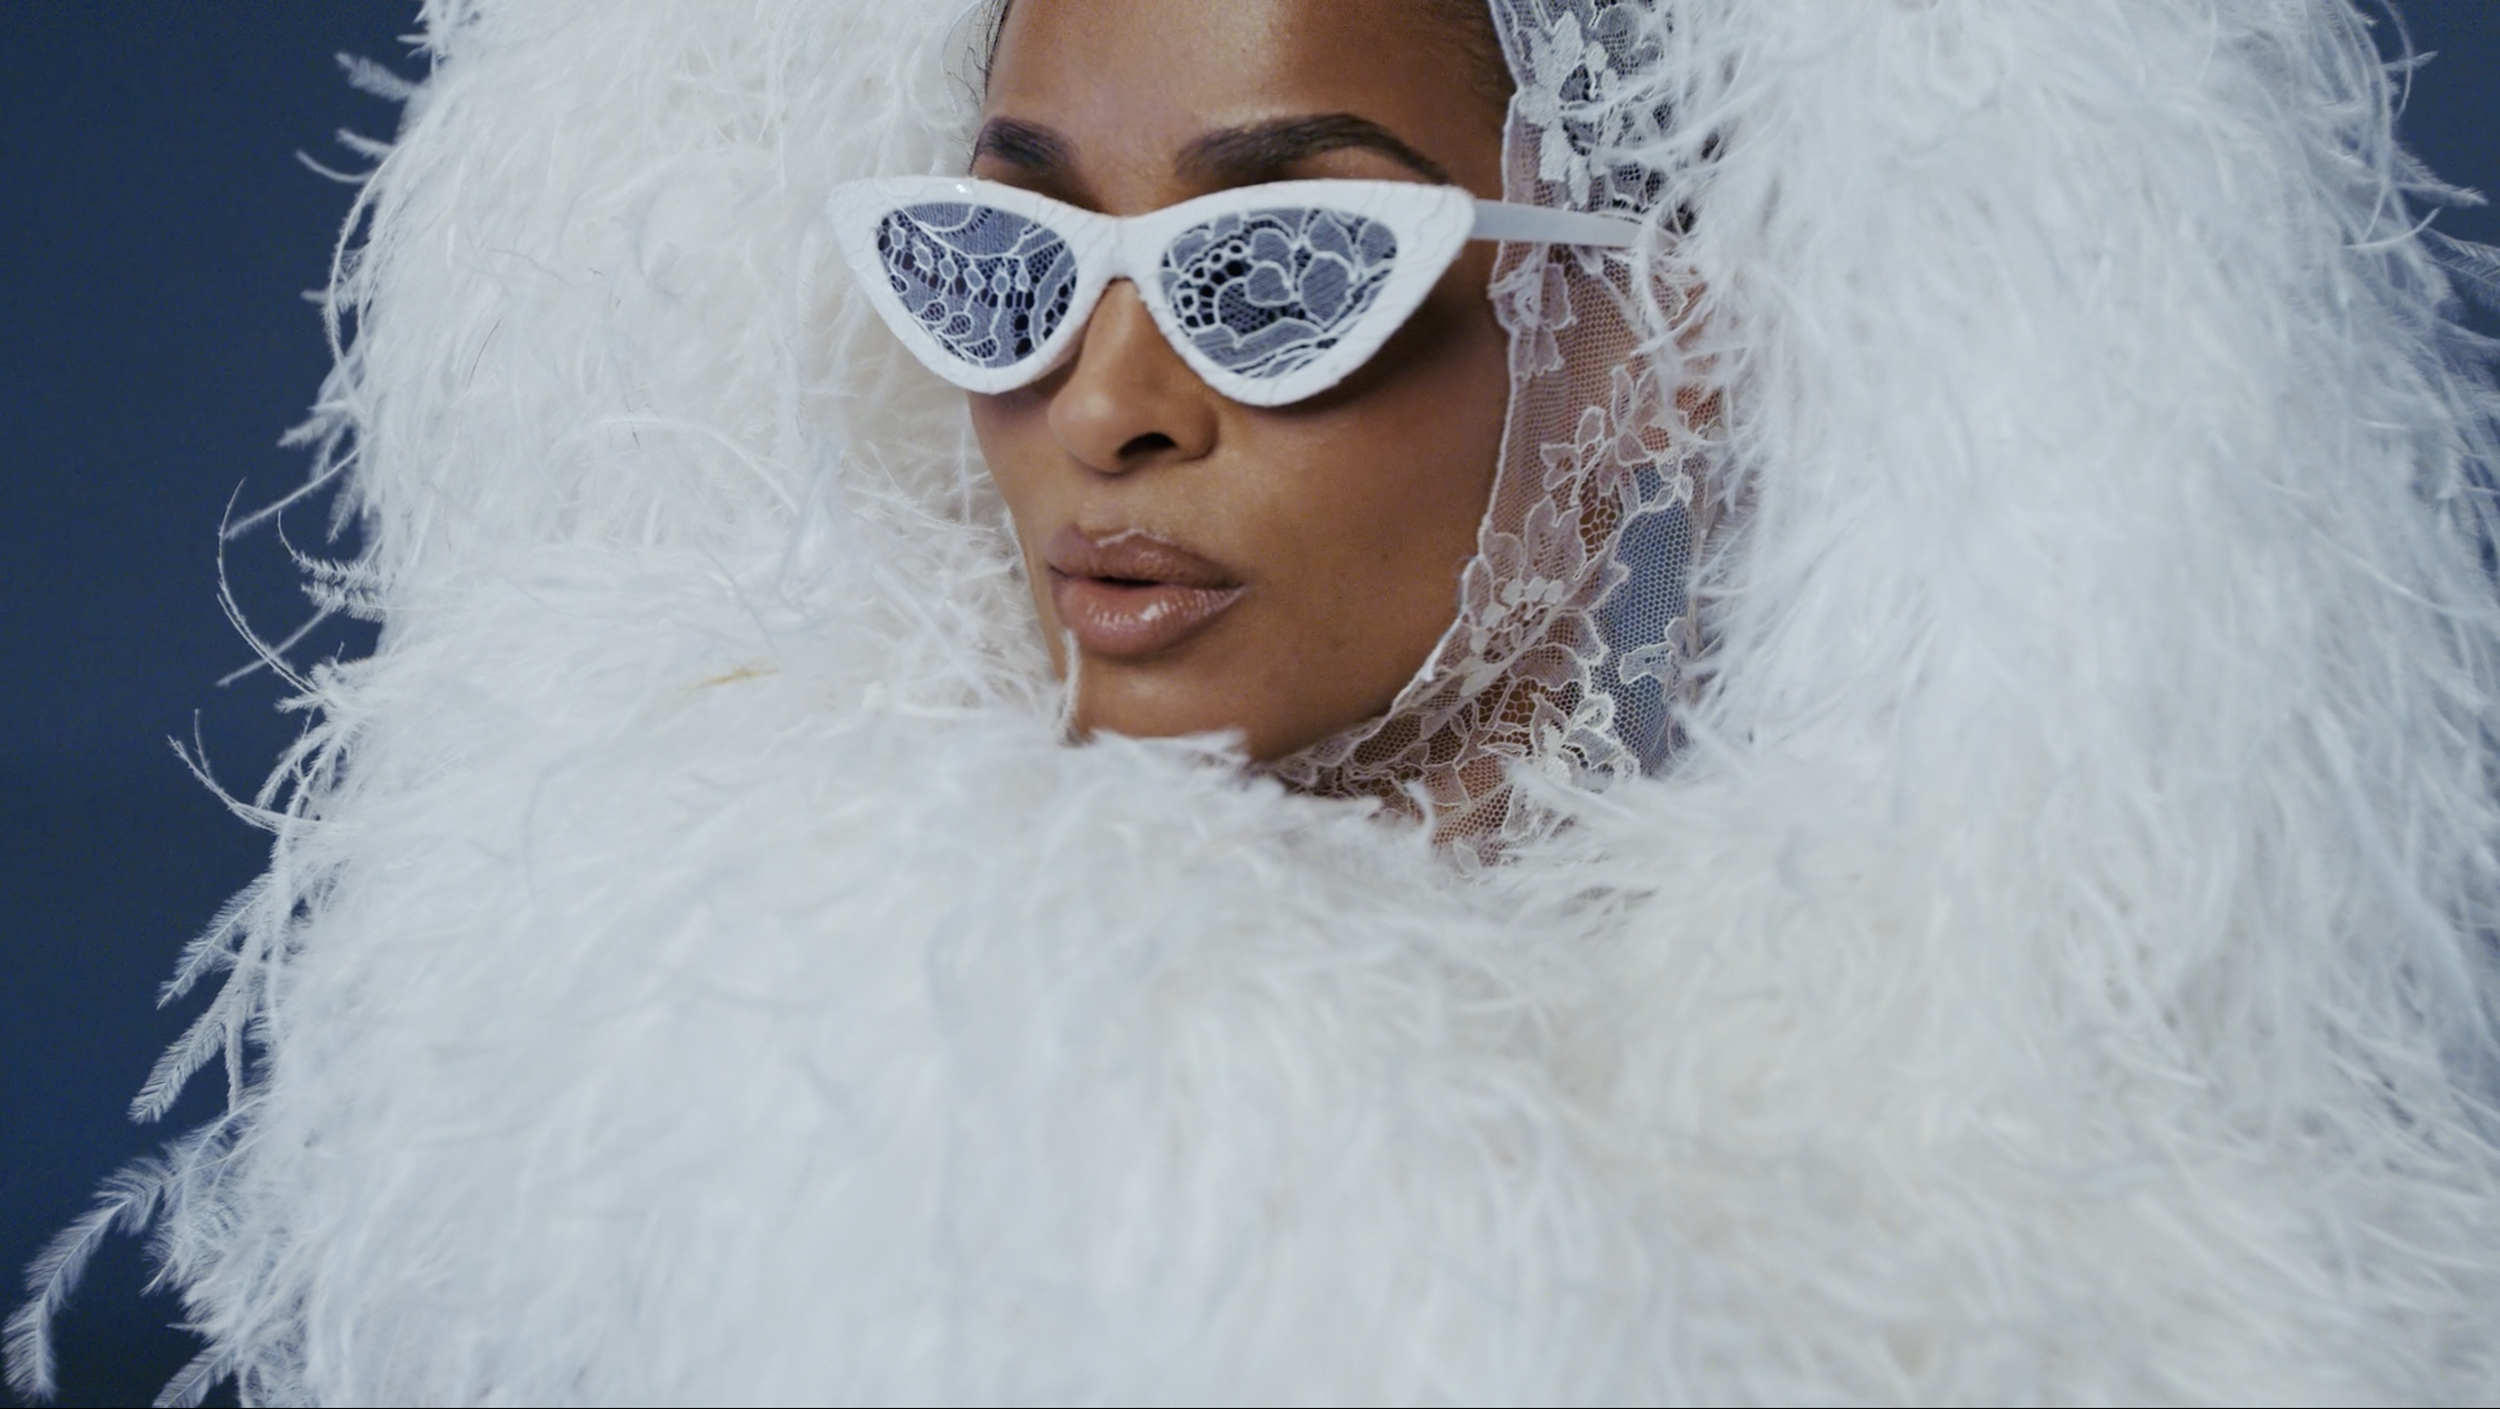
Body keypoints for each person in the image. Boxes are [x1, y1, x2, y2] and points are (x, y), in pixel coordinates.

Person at [12, 0, 2500, 1401]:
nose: (1103, 402)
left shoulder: (2109, 1274)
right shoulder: (671, 1129)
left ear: (1670, 326)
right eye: (998, 263)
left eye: (1281, 259)